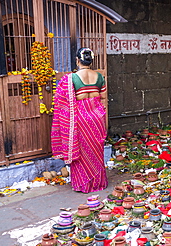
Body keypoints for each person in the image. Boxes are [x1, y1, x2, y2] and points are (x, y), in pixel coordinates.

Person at [51, 47, 108, 193]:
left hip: (80, 119)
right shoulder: (100, 77)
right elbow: (103, 100)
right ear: (91, 61)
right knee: (96, 152)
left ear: (77, 60)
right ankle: (98, 183)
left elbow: (60, 103)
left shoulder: (70, 79)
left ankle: (83, 184)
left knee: (82, 153)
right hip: (97, 119)